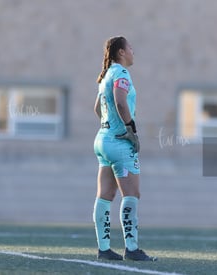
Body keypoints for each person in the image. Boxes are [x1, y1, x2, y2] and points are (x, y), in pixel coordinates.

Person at [93, 36, 157, 261]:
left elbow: (97, 108)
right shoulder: (121, 73)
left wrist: (109, 126)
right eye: (130, 47)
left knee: (105, 195)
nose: (133, 51)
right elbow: (120, 101)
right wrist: (130, 128)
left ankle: (104, 249)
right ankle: (131, 249)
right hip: (120, 143)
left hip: (103, 139)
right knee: (132, 194)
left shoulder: (106, 75)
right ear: (121, 52)